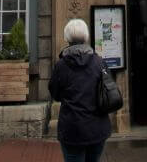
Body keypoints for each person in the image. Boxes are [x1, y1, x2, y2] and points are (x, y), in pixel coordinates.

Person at [48, 18, 111, 162]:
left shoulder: (61, 66)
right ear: (86, 36)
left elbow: (55, 94)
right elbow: (109, 90)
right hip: (97, 128)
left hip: (72, 129)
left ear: (67, 38)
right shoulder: (99, 62)